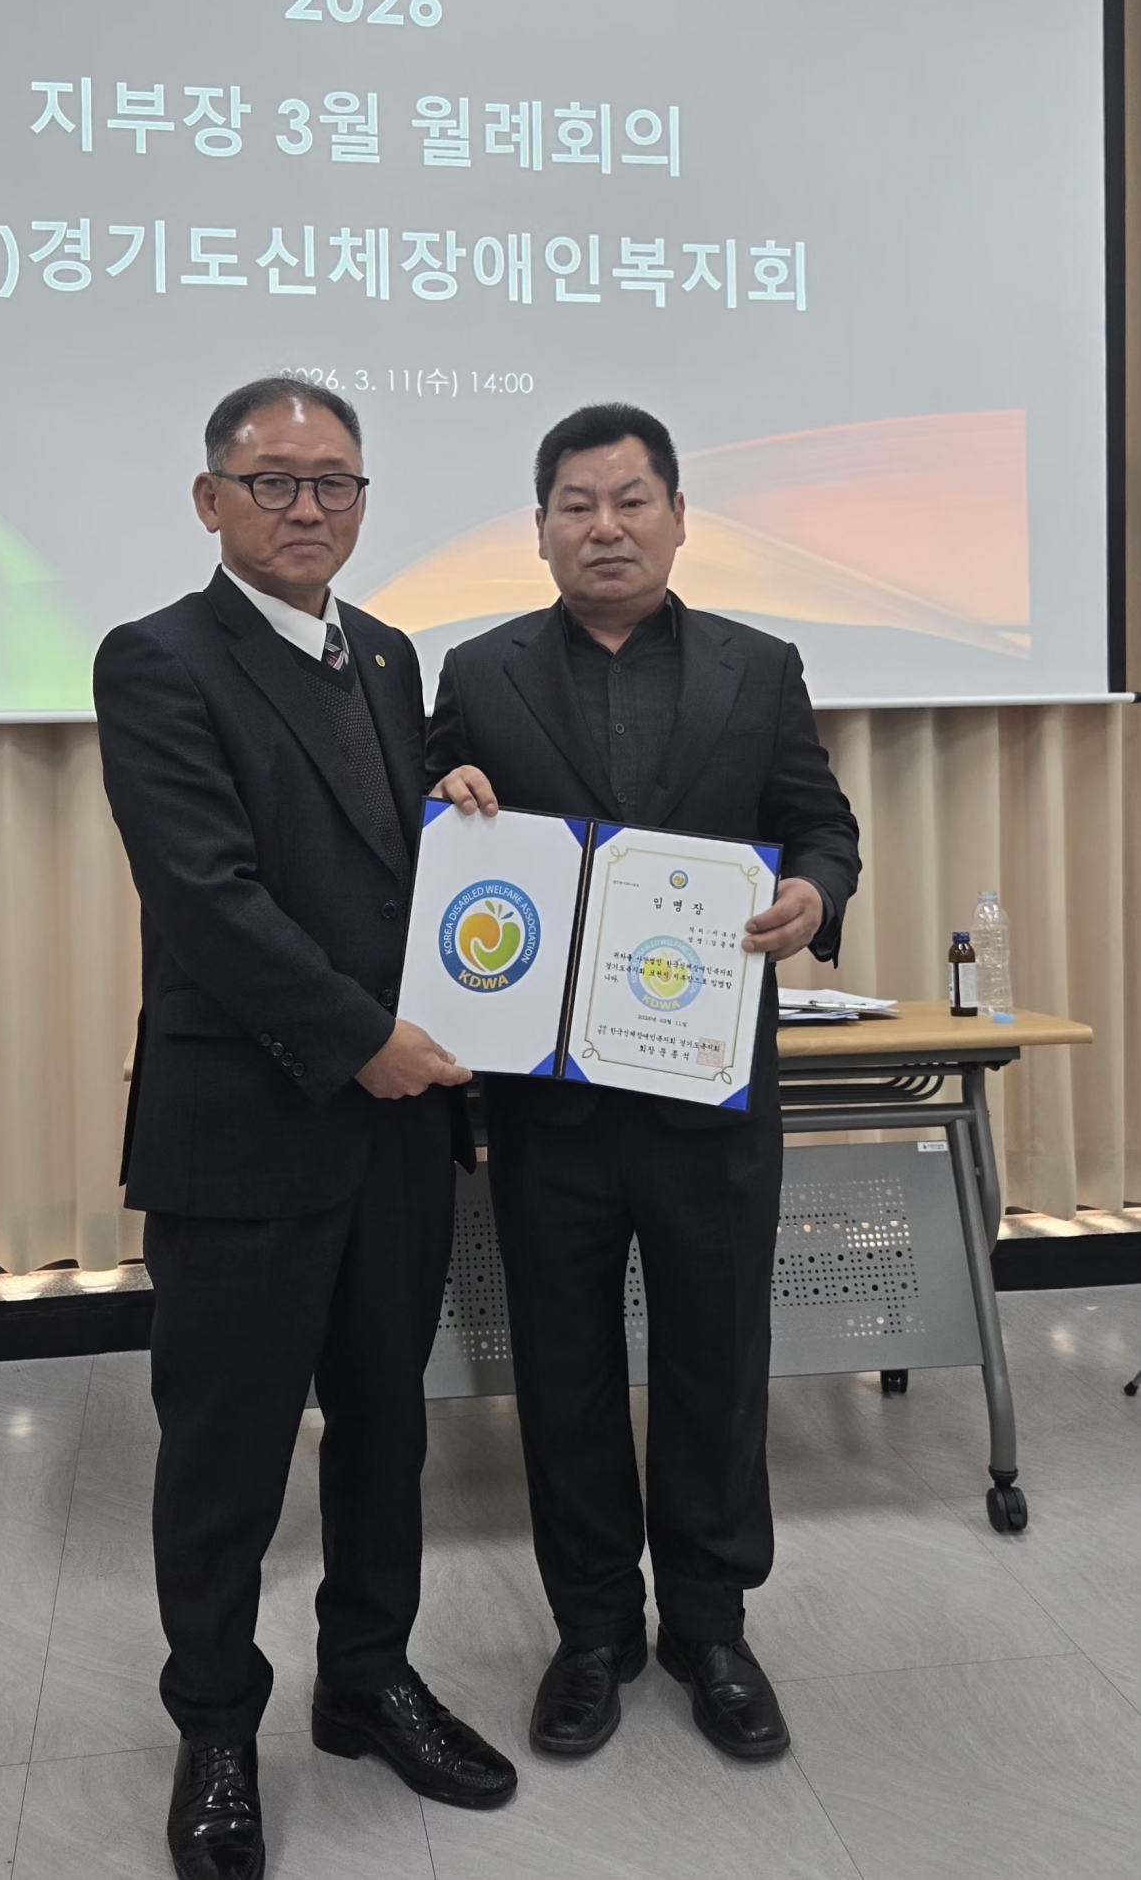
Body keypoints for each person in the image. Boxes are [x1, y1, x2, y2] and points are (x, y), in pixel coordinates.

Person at [95, 377, 516, 1880]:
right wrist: (359, 1042)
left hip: (399, 1135)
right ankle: (216, 1726)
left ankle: (367, 1679)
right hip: (247, 1128)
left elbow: (374, 848)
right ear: (210, 499)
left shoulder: (389, 656)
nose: (307, 508)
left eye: (335, 481)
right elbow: (207, 895)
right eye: (273, 481)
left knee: (387, 1426)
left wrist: (447, 798)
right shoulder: (155, 659)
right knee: (227, 1450)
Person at [427, 401, 860, 1768]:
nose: (604, 527)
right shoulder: (479, 672)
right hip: (549, 1103)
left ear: (678, 518)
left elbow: (823, 827)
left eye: (630, 501)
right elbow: (429, 827)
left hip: (709, 1094)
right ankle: (594, 1628)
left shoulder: (758, 666)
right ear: (540, 527)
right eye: (577, 504)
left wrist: (813, 893)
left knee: (716, 1363)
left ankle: (712, 1628)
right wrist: (447, 795)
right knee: (561, 1371)